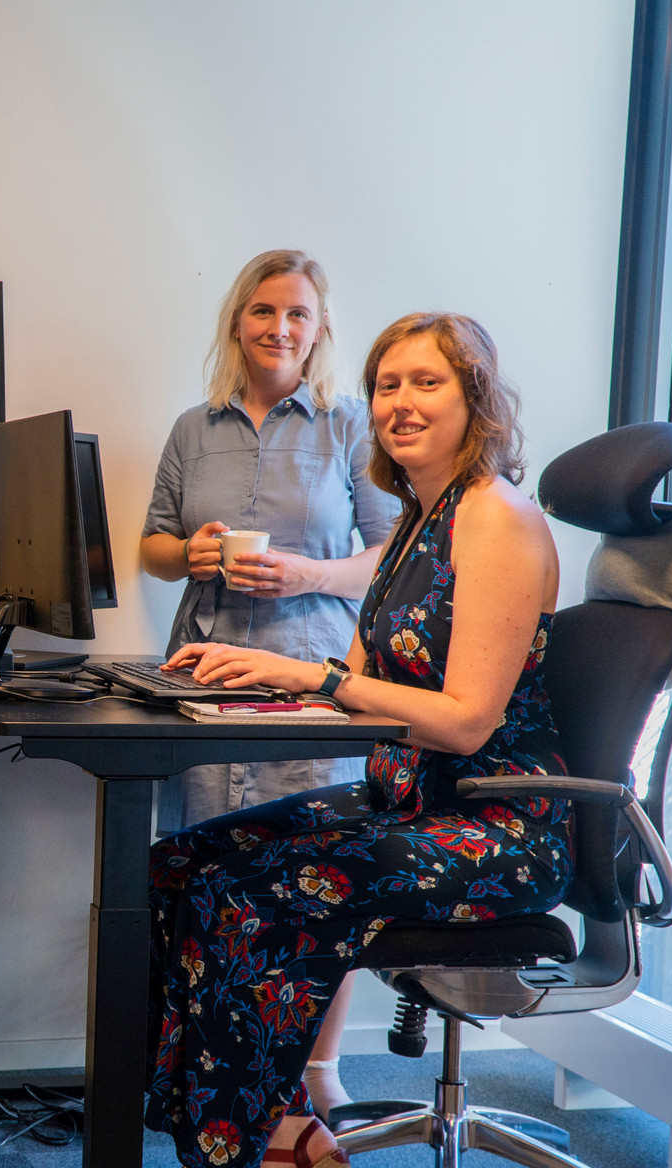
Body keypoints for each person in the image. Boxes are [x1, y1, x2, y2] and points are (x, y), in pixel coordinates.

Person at [137, 313, 572, 1168]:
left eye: (427, 383)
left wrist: (313, 676)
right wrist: (249, 684)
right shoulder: (417, 521)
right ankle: (271, 1128)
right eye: (386, 385)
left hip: (496, 826)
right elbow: (361, 684)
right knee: (182, 864)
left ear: (475, 400)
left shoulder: (496, 518)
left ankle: (255, 1146)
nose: (399, 403)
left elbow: (464, 721)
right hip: (407, 800)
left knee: (259, 892)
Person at [138, 250, 399, 1111]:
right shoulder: (193, 428)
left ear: (319, 330)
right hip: (203, 672)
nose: (279, 328)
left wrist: (306, 574)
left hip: (310, 682)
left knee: (315, 879)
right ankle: (207, 1068)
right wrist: (189, 553)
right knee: (206, 873)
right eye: (263, 310)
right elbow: (152, 545)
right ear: (237, 321)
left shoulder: (351, 426)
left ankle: (316, 1071)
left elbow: (390, 557)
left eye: (296, 314)